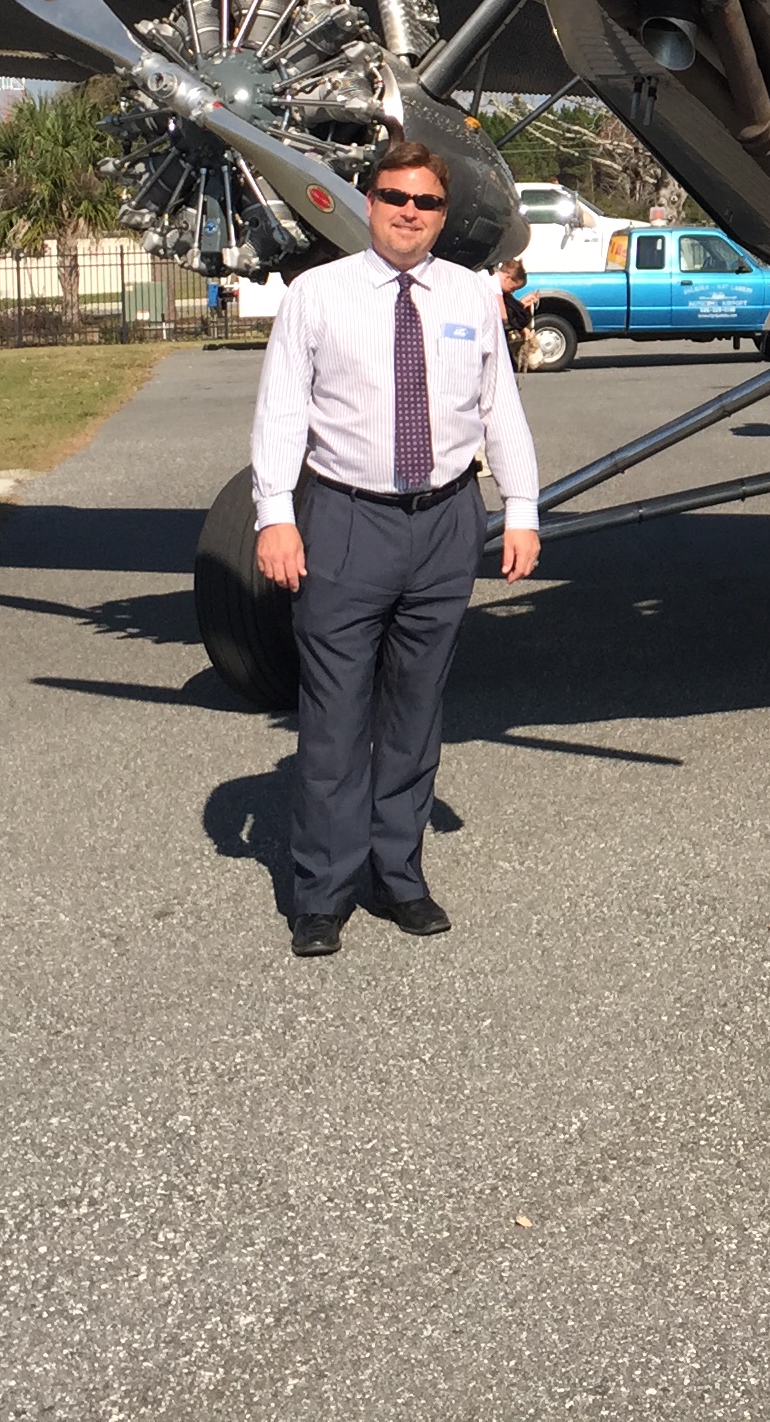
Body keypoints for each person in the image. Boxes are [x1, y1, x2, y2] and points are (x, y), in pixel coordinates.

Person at [251, 139, 541, 958]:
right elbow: (281, 411)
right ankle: (322, 892)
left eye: (426, 203)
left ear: (443, 216)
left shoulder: (470, 295)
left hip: (447, 521)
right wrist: (275, 513)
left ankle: (398, 876)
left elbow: (499, 408)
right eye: (393, 197)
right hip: (345, 520)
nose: (409, 213)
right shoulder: (319, 294)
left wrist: (521, 507)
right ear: (367, 201)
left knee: (415, 713)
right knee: (335, 719)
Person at [496, 257, 540, 371]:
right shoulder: (495, 289)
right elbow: (504, 316)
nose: (512, 292)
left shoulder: (499, 288)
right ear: (508, 278)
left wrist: (523, 303)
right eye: (513, 288)